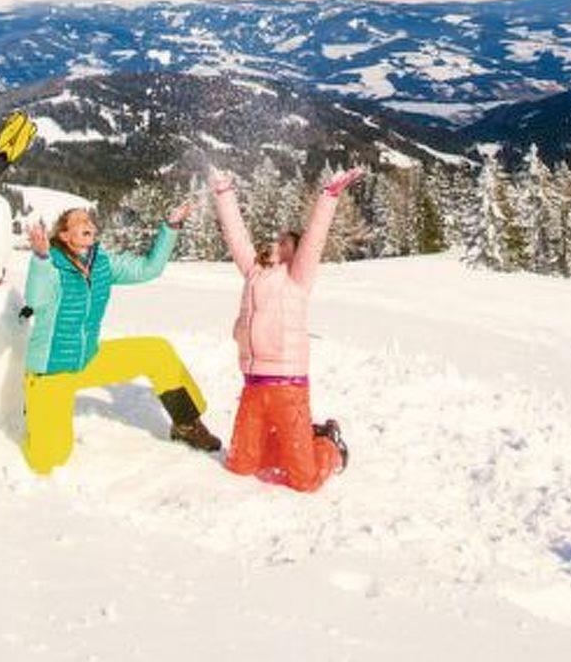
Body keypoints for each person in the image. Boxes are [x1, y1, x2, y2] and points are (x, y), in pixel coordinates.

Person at [22, 202, 220, 474]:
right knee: (49, 460)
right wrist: (40, 259)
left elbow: (148, 269)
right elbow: (35, 300)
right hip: (51, 370)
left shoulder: (102, 263)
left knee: (157, 352)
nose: (88, 223)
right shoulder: (51, 263)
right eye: (79, 220)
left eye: (89, 220)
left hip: (88, 358)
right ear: (65, 235)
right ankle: (37, 407)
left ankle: (186, 424)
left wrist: (171, 227)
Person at [209, 163, 364, 493]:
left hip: (289, 388)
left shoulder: (297, 279)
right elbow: (237, 235)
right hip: (253, 386)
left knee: (304, 481)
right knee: (240, 465)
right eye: (276, 241)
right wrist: (223, 192)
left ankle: (329, 445)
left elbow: (315, 239)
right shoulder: (253, 273)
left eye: (285, 243)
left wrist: (329, 196)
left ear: (296, 255)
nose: (276, 245)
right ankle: (299, 440)